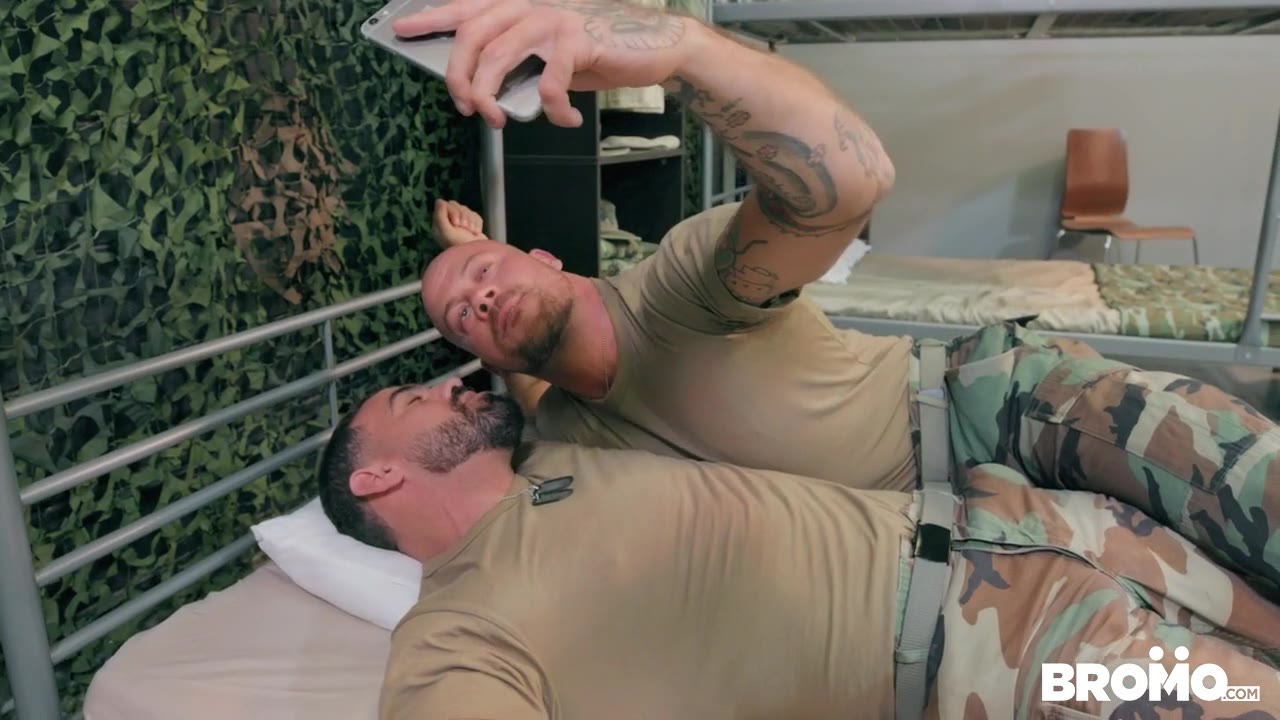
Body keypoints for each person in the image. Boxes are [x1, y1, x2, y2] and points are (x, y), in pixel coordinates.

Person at [402, 0, 1280, 605]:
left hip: (991, 412)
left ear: (546, 255)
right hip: (955, 546)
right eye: (458, 316)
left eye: (485, 272)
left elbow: (848, 184)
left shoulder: (679, 284)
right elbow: (528, 384)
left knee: (1253, 494)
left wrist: (684, 50)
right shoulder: (562, 427)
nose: (477, 299)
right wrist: (463, 249)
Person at [316, 377, 1280, 720]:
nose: (447, 387)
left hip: (1065, 530)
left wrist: (474, 259)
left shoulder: (558, 456)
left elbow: (543, 354)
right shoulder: (455, 632)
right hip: (1026, 658)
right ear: (376, 478)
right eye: (412, 400)